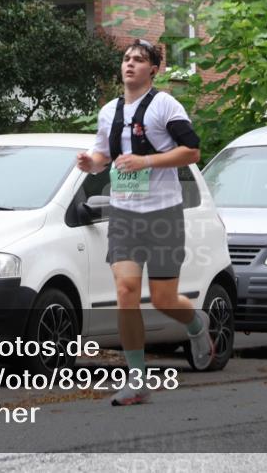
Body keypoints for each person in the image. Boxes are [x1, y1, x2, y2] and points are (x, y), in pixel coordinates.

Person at [76, 38, 214, 406]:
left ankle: (196, 326)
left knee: (165, 298)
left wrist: (147, 162)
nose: (130, 64)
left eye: (139, 60)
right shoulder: (109, 111)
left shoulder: (165, 105)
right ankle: (136, 378)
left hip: (163, 212)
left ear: (153, 69)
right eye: (126, 58)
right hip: (124, 213)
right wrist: (91, 162)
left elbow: (193, 150)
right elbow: (104, 153)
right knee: (125, 293)